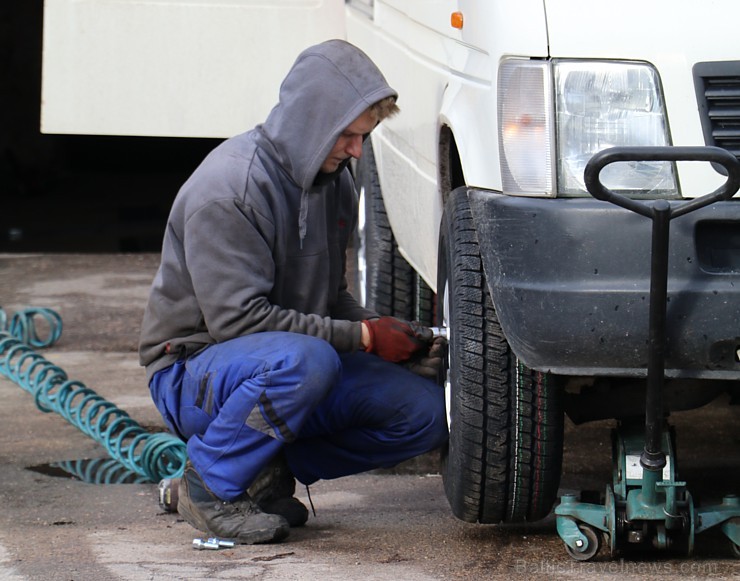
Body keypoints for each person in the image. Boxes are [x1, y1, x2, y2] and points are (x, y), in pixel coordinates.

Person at [138, 39, 448, 545]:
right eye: (347, 136)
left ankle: (264, 473)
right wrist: (365, 339)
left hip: (284, 363)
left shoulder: (336, 184)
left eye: (364, 137)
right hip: (193, 373)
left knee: (423, 413)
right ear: (310, 123)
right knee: (307, 362)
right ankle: (209, 484)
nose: (357, 151)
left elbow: (329, 300)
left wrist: (390, 338)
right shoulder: (229, 190)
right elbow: (237, 323)